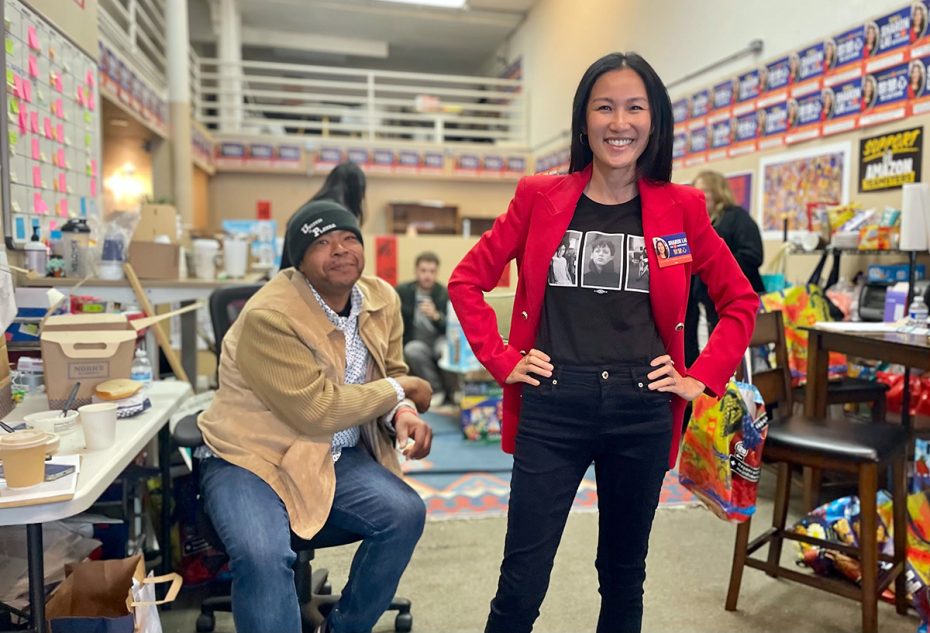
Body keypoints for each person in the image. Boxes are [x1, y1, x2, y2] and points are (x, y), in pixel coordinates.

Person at [448, 52, 759, 633]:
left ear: (655, 120)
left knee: (623, 575)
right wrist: (502, 359)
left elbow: (740, 302)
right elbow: (466, 279)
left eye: (635, 107)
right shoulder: (539, 196)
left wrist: (701, 377)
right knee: (522, 581)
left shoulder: (682, 207)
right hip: (553, 403)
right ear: (584, 120)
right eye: (605, 107)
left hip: (642, 408)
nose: (620, 122)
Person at [198, 200, 434, 633]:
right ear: (300, 261)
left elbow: (390, 371)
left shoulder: (381, 298)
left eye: (349, 238)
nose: (340, 250)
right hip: (250, 458)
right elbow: (317, 411)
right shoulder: (269, 316)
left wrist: (401, 412)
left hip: (331, 455)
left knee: (404, 514)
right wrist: (405, 391)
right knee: (263, 555)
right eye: (322, 243)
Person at [686, 170, 765, 367]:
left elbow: (753, 254)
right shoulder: (704, 221)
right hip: (704, 304)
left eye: (704, 190)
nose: (698, 194)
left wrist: (719, 265)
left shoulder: (736, 217)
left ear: (718, 192)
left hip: (731, 298)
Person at [279, 161, 367, 270]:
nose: (341, 249)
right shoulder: (339, 216)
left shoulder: (309, 208)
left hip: (289, 276)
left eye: (349, 238)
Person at [395, 251, 457, 404]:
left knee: (446, 349)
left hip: (439, 339)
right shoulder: (403, 292)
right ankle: (437, 390)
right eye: (423, 271)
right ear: (416, 271)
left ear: (436, 273)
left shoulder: (444, 293)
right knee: (412, 349)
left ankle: (454, 391)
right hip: (417, 341)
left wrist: (436, 316)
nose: (427, 276)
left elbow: (452, 329)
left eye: (431, 271)